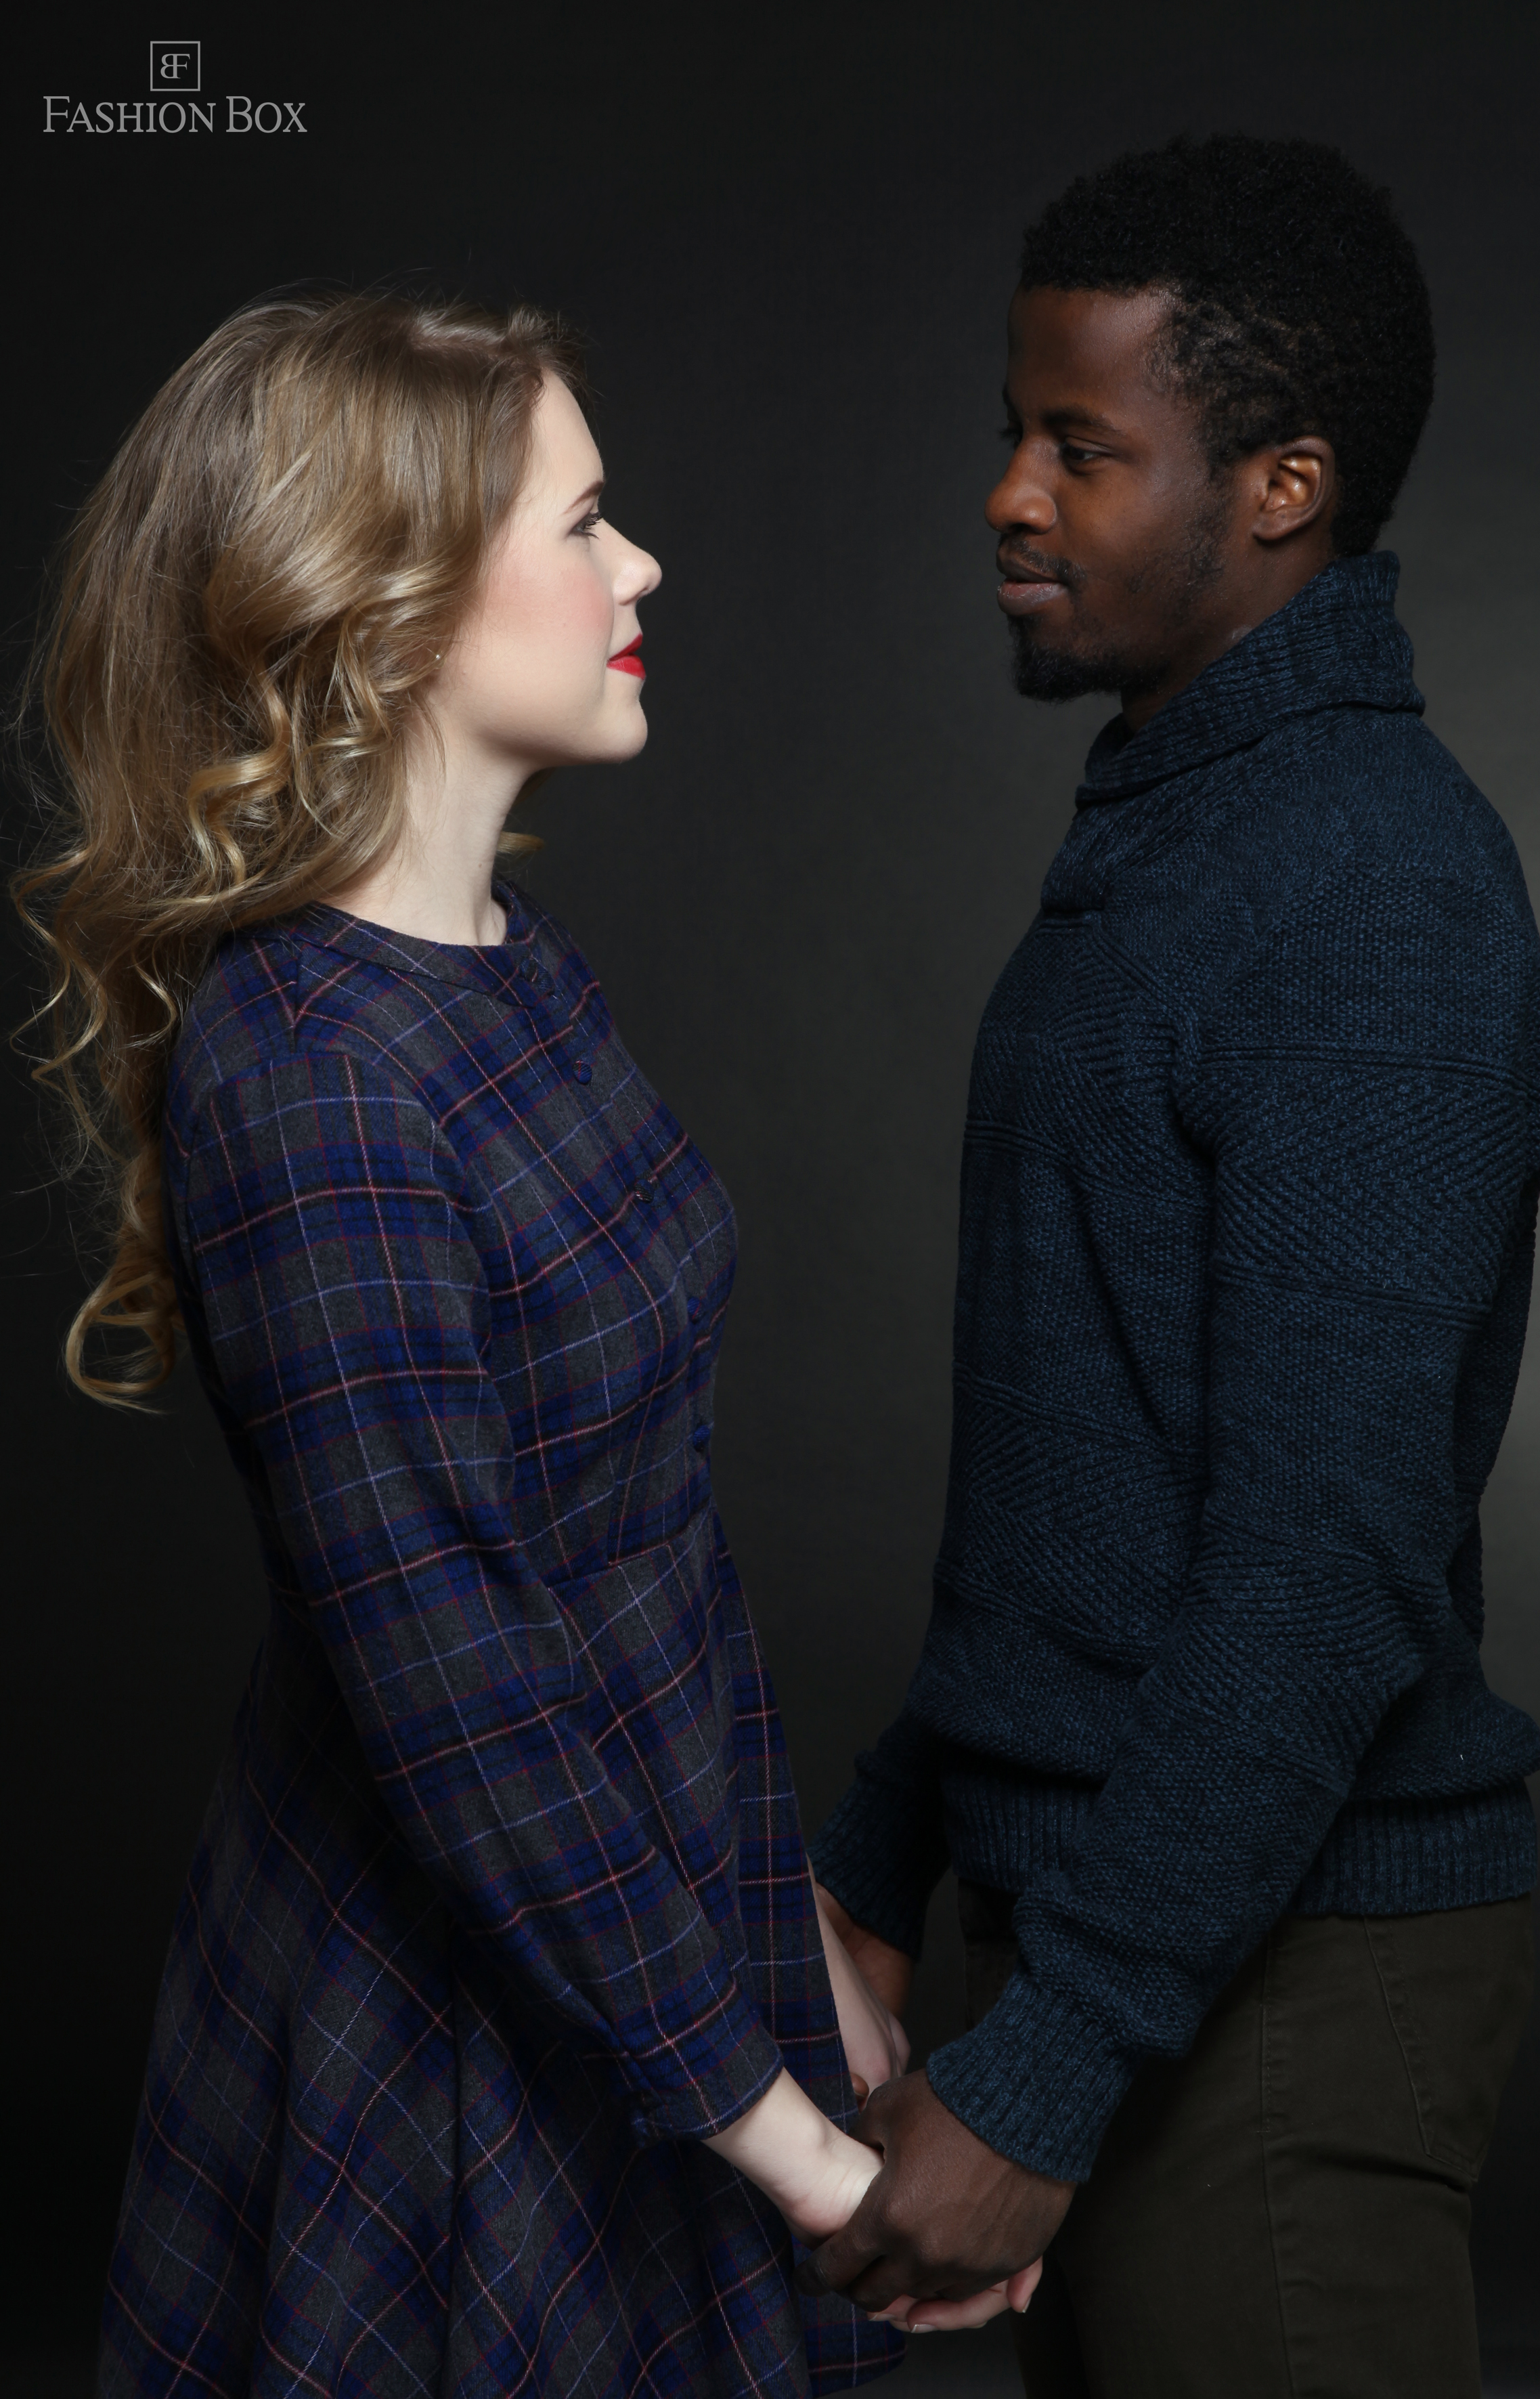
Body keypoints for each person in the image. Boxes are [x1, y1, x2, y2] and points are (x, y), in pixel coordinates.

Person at [16, 288, 1018, 2397]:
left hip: (647, 1906)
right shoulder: (316, 1079)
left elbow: (635, 1533)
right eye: (578, 522)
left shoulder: (508, 969)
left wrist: (785, 1931)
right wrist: (795, 2151)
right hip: (460, 1986)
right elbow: (459, 1689)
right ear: (383, 611)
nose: (639, 564)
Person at [804, 135, 1540, 2399]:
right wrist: (889, 1846)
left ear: (1280, 487)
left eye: (1081, 445)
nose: (1006, 495)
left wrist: (1056, 2063)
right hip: (1112, 1938)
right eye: (1012, 430)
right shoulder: (1188, 830)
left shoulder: (1369, 895)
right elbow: (1093, 1470)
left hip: (1280, 2001)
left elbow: (1317, 1569)